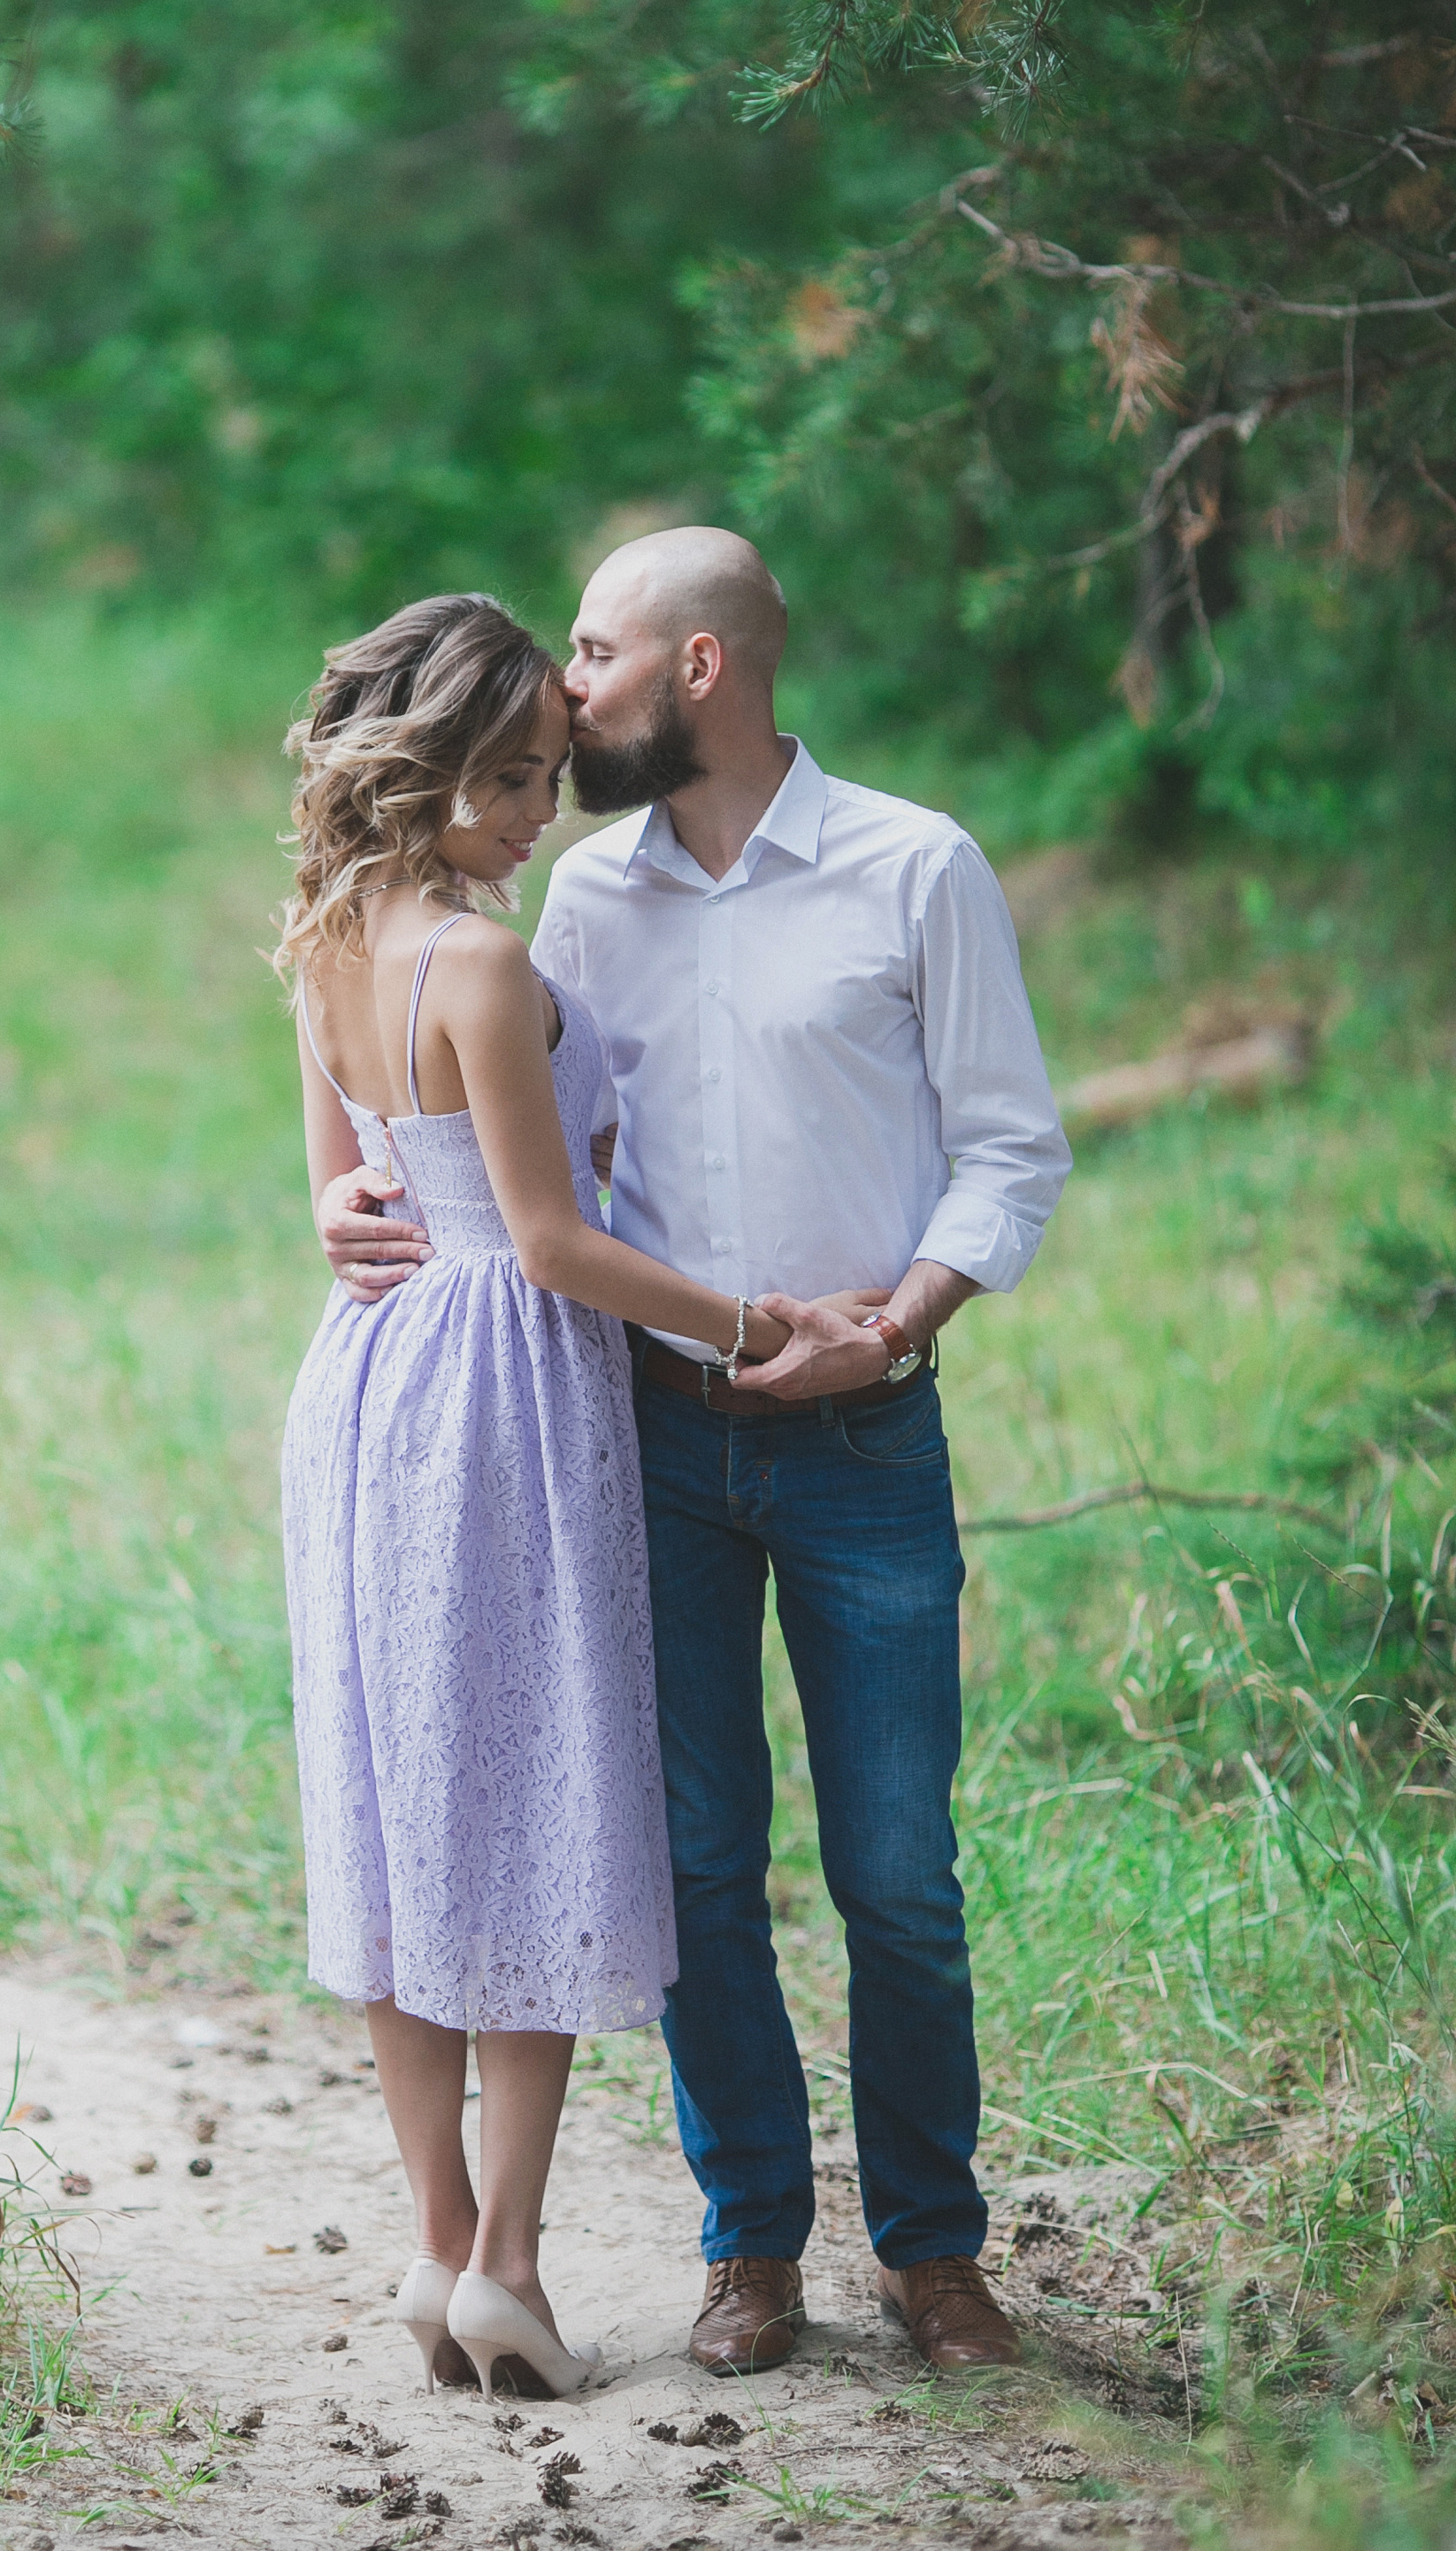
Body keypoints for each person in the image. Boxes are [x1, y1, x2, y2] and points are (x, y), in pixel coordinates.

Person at [320, 532, 1071, 2385]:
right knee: (690, 1866)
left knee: (894, 1865)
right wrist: (352, 1191)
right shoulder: (572, 899)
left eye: (593, 651)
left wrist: (883, 1327)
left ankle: (935, 2254)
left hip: (866, 1434)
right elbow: (512, 1155)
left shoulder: (915, 868)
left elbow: (1007, 1151)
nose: (567, 693)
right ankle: (749, 2249)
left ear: (701, 667)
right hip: (633, 1435)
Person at [280, 591, 837, 2401]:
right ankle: (505, 2261)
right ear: (423, 767)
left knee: (396, 1801)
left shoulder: (321, 934)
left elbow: (346, 1198)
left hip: (362, 1389)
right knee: (522, 1799)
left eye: (548, 770)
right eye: (510, 778)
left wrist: (348, 1217)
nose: (542, 808)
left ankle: (432, 2247)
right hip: (501, 1392)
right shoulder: (484, 967)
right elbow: (543, 1246)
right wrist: (758, 1315)